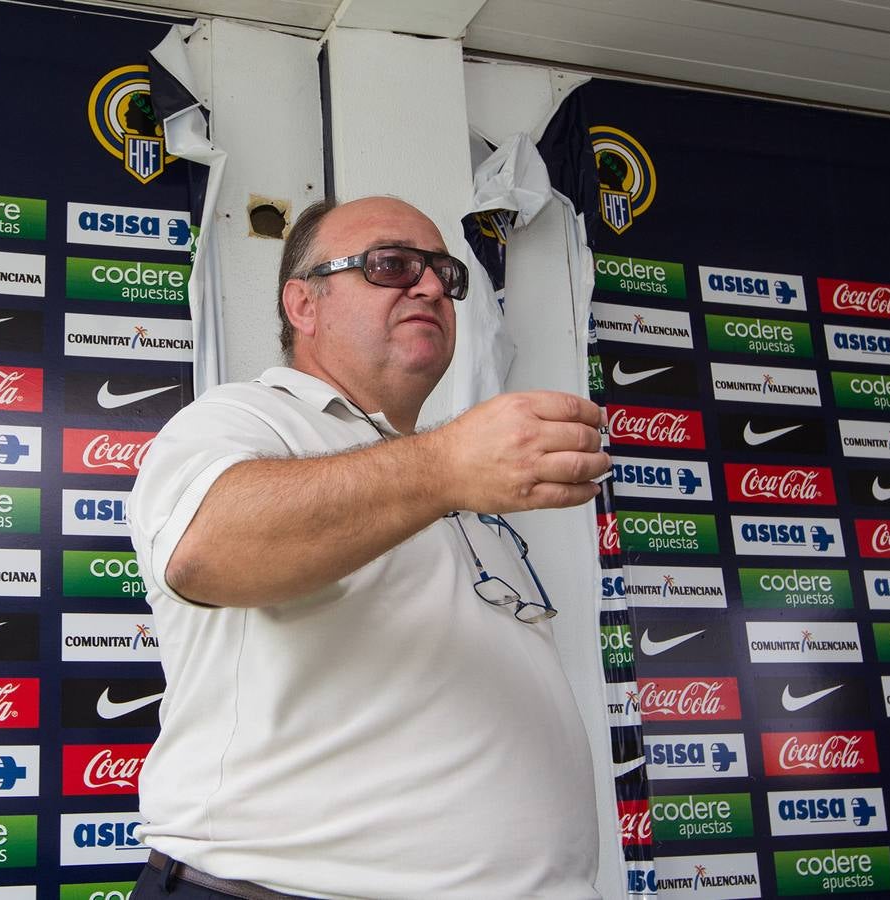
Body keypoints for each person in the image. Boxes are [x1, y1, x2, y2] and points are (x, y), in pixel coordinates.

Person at [128, 196, 610, 899]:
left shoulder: (439, 470)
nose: (430, 286)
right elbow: (206, 549)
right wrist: (444, 466)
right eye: (390, 265)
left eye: (445, 272)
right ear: (304, 305)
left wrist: (444, 467)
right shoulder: (243, 419)